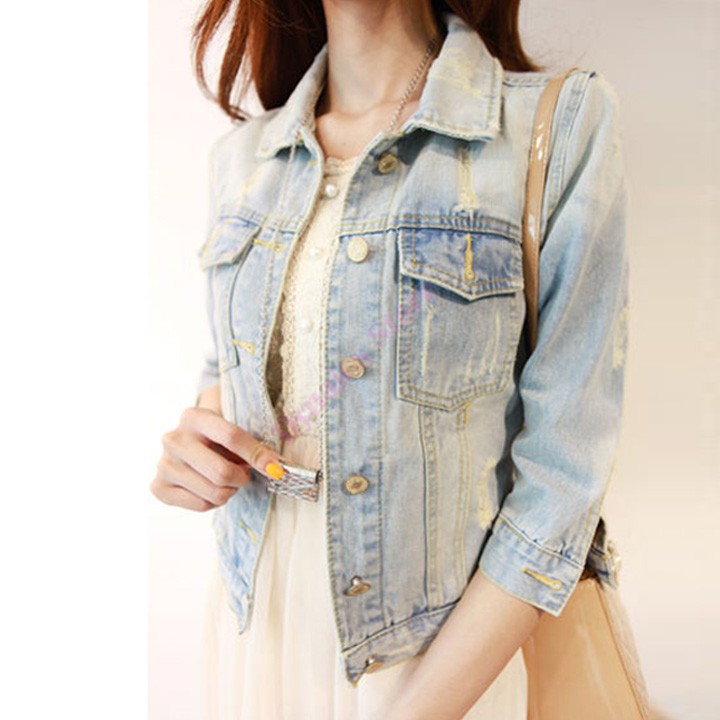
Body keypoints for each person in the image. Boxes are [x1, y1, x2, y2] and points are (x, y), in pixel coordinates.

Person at [150, 1, 629, 718]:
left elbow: (564, 482)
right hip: (260, 636)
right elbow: (236, 373)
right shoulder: (243, 158)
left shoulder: (553, 126)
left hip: (436, 665)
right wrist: (194, 447)